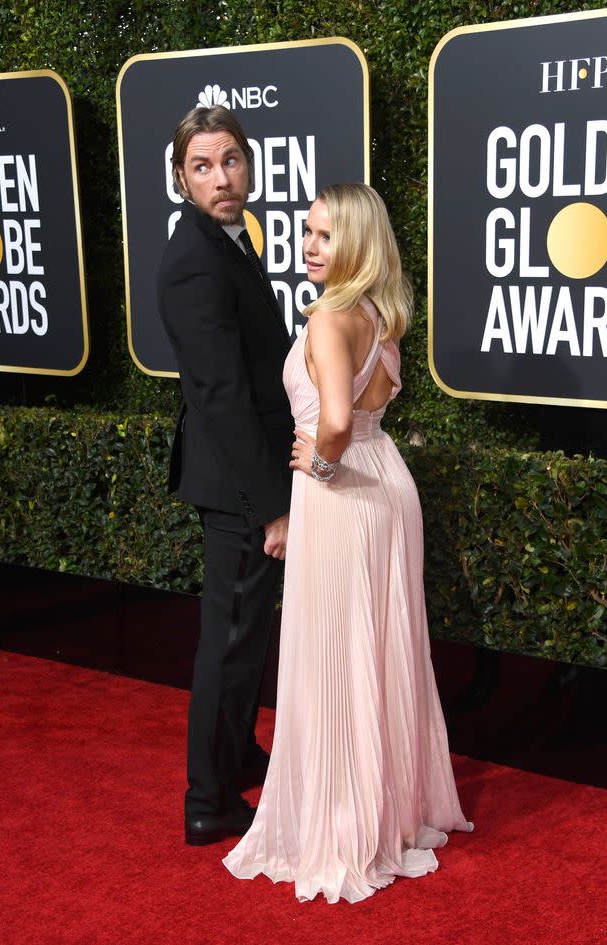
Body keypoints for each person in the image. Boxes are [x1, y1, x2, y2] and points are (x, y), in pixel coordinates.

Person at [223, 183, 473, 902]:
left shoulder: (333, 315)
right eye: (307, 231)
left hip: (342, 486)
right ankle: (385, 810)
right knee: (382, 647)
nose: (308, 245)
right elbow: (362, 412)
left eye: (326, 236)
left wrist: (321, 466)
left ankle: (342, 822)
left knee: (336, 654)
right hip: (385, 482)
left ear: (358, 243)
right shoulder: (378, 313)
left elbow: (332, 421)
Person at [157, 106, 292, 846]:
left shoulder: (227, 242)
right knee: (231, 639)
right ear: (182, 176)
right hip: (239, 486)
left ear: (250, 164)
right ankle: (206, 799)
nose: (221, 177)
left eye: (232, 161)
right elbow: (221, 395)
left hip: (246, 476)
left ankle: (236, 753)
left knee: (245, 640)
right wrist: (272, 505)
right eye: (203, 166)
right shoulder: (193, 258)